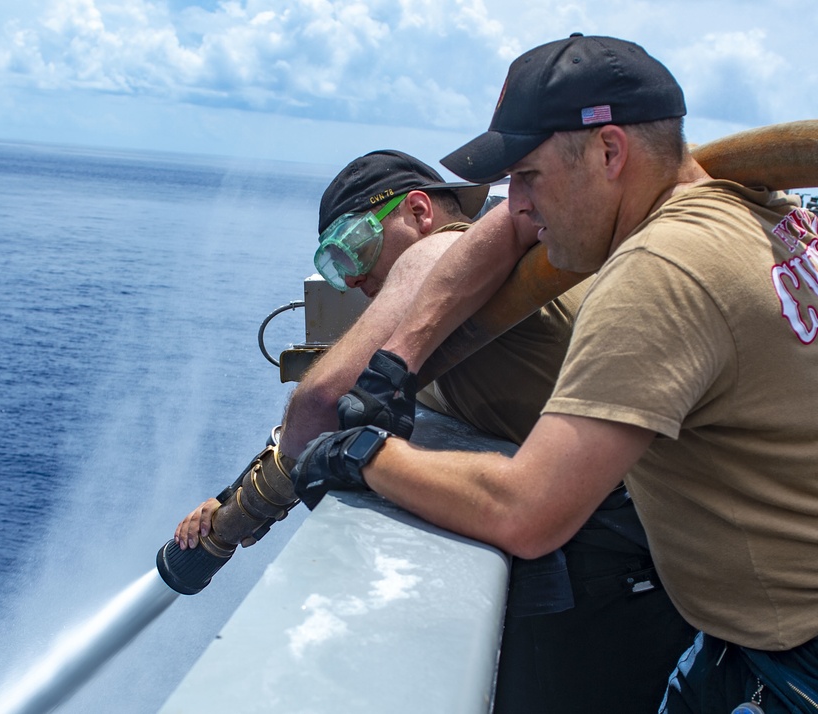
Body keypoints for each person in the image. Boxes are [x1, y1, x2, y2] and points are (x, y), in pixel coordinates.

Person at [292, 34, 818, 713]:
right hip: (739, 638)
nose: (515, 206)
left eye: (529, 176)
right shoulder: (761, 212)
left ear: (608, 153)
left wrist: (361, 453)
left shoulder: (661, 270)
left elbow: (526, 511)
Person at [175, 149, 695, 712]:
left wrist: (241, 516)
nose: (352, 279)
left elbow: (323, 402)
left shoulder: (442, 247)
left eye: (355, 247)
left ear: (419, 212)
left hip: (612, 558)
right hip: (636, 543)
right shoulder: (471, 281)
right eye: (334, 264)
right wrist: (233, 497)